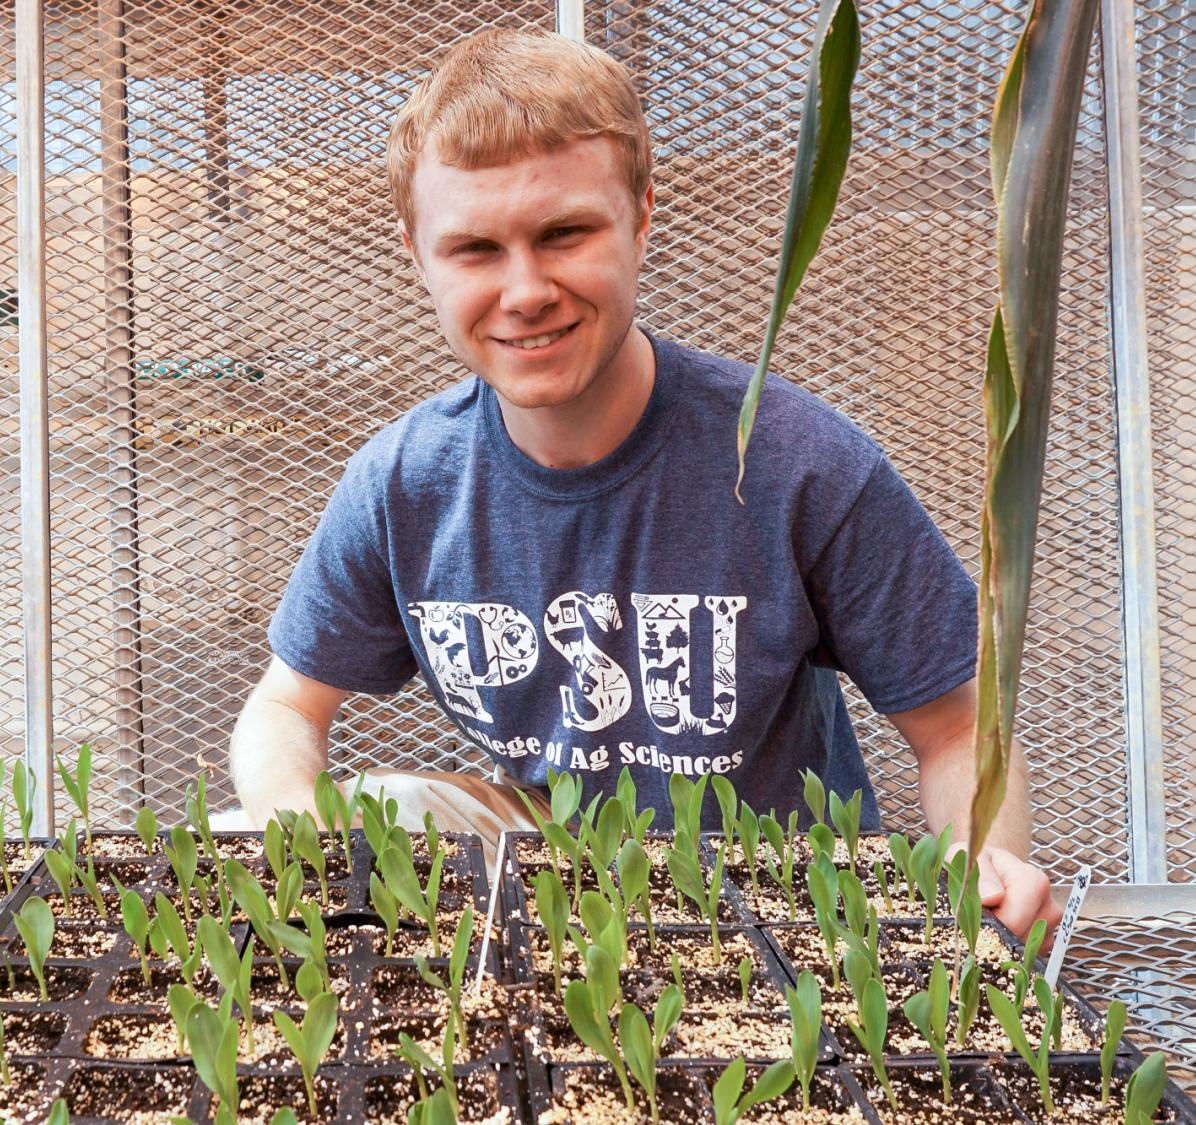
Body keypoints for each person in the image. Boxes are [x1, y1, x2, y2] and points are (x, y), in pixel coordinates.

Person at [229, 27, 1061, 936]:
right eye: (475, 249)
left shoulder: (794, 460)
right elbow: (283, 706)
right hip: (563, 896)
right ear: (418, 253)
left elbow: (958, 725)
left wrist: (985, 861)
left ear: (642, 215)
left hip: (783, 902)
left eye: (565, 233)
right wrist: (294, 828)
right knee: (370, 811)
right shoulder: (404, 485)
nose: (525, 289)